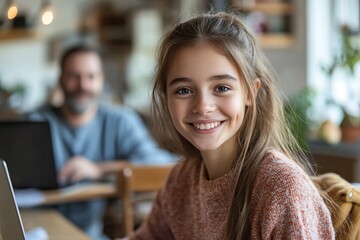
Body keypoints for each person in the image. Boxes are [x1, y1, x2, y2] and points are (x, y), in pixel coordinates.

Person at [127, 11, 335, 239]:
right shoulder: (180, 182)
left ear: (250, 93)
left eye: (222, 88)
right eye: (184, 90)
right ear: (166, 98)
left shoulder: (282, 187)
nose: (203, 106)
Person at [28, 45, 177, 240]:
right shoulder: (34, 122)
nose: (83, 85)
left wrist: (99, 169)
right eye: (73, 76)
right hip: (33, 230)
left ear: (101, 80)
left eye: (91, 77)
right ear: (60, 80)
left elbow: (162, 164)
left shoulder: (120, 120)